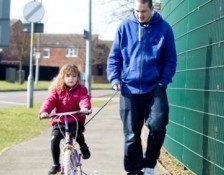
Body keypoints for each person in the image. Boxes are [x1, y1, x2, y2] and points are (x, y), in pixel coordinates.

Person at [107, 0, 177, 174]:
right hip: (129, 89)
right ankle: (133, 170)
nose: (139, 15)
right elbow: (114, 57)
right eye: (137, 11)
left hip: (155, 87)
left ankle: (149, 164)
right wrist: (115, 78)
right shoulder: (124, 27)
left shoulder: (165, 29)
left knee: (158, 126)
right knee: (131, 135)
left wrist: (163, 81)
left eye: (143, 11)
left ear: (152, 8)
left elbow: (170, 59)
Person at [39, 64, 92, 175]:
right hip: (59, 120)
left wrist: (84, 108)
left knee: (76, 132)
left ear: (78, 77)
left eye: (74, 76)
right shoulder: (57, 90)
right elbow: (50, 101)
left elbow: (84, 99)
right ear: (62, 77)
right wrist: (44, 111)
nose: (71, 78)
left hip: (76, 119)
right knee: (54, 139)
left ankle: (83, 146)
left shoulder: (81, 89)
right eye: (68, 76)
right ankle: (56, 165)